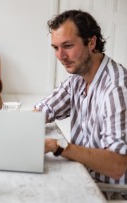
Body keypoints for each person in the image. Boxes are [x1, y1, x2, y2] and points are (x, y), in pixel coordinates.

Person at [34, 10, 127, 189]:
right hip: (84, 178)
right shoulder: (78, 77)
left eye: (68, 46)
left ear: (91, 42)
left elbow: (117, 166)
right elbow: (44, 110)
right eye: (56, 48)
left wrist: (58, 146)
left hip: (110, 192)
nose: (61, 56)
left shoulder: (116, 89)